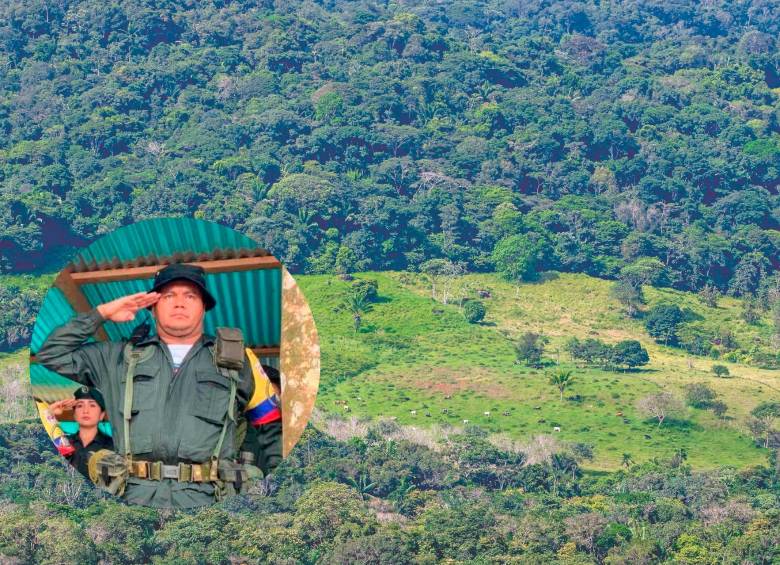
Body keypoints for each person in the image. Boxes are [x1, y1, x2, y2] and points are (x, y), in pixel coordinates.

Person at [37, 263, 278, 508]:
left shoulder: (241, 361)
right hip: (131, 499)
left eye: (191, 296)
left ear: (204, 307)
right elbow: (50, 354)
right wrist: (102, 313)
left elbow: (272, 431)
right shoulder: (116, 358)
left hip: (210, 501)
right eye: (169, 295)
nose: (179, 302)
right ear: (152, 307)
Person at [45, 387, 114, 479]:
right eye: (80, 405)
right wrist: (49, 413)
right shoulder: (65, 442)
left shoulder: (113, 446)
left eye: (92, 405)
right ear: (74, 414)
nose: (85, 411)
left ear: (101, 415)